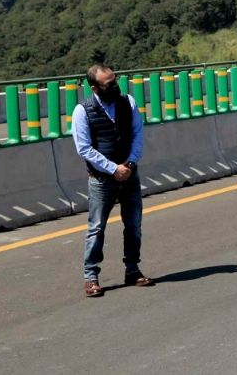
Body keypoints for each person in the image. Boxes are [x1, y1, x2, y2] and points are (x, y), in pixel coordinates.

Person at [72, 64, 150, 298]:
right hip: (101, 180)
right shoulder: (82, 111)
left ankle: (132, 269)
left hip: (129, 173)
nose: (115, 87)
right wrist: (112, 168)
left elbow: (138, 134)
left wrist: (130, 163)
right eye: (109, 84)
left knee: (134, 225)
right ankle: (91, 276)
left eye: (116, 81)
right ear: (95, 87)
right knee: (96, 228)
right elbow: (84, 148)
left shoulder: (128, 102)